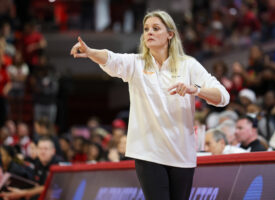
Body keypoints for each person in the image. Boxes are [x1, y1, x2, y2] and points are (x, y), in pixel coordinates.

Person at [70, 10, 229, 200]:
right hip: (149, 153)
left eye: (155, 28)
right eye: (146, 29)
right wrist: (90, 52)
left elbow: (223, 97)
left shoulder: (189, 65)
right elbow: (112, 58)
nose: (149, 33)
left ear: (170, 34)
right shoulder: (136, 64)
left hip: (182, 153)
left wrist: (195, 90)